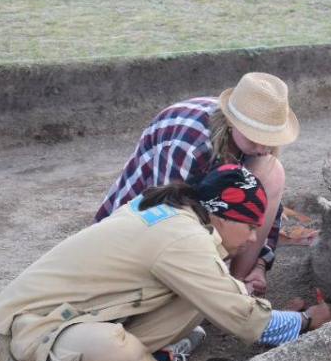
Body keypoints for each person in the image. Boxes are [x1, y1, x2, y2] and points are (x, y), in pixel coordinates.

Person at [0, 165, 331, 361]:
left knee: (202, 295)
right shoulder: (182, 237)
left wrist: (271, 316)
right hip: (21, 335)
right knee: (117, 356)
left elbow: (225, 297)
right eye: (249, 225)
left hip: (73, 319)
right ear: (221, 215)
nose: (252, 238)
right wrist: (305, 321)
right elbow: (244, 318)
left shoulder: (179, 214)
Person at [96, 72, 299, 296]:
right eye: (255, 139)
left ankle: (238, 284)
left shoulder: (255, 147)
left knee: (272, 171)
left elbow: (261, 206)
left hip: (188, 224)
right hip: (136, 236)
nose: (263, 149)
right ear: (233, 123)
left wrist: (260, 265)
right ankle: (204, 292)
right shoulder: (190, 145)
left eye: (270, 141)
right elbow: (165, 221)